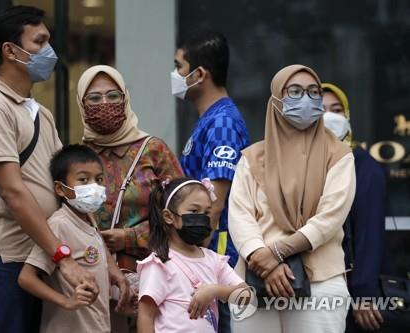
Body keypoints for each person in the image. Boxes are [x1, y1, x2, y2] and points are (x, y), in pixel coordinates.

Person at [0, 6, 98, 332]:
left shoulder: (38, 112)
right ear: (10, 50)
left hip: (38, 260)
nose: (49, 51)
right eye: (39, 42)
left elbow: (58, 185)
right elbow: (13, 191)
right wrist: (63, 257)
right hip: (5, 262)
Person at [228, 64, 356, 333]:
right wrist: (262, 259)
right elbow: (240, 216)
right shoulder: (252, 158)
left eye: (313, 92)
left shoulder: (339, 155)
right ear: (276, 99)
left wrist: (276, 253)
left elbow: (329, 218)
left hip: (320, 278)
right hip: (256, 277)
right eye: (295, 92)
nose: (306, 99)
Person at [76, 65, 184, 331]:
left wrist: (129, 237)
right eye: (94, 98)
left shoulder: (154, 150)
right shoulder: (77, 156)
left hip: (154, 282)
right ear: (81, 103)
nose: (105, 104)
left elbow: (183, 215)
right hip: (92, 283)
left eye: (113, 96)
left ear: (125, 99)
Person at [173, 30, 250, 332]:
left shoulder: (223, 123)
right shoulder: (210, 119)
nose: (175, 75)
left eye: (179, 66)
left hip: (219, 264)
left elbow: (213, 205)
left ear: (200, 73)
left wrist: (196, 260)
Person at [18, 144, 130, 333]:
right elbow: (26, 278)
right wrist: (67, 302)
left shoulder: (89, 218)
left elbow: (99, 247)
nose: (93, 186)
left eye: (98, 179)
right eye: (83, 179)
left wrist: (116, 274)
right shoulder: (59, 225)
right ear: (60, 189)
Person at [137, 177, 253, 333]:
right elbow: (145, 315)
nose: (202, 218)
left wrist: (214, 291)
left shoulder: (213, 260)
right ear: (169, 216)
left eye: (206, 212)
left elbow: (247, 296)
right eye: (194, 211)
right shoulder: (159, 263)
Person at [322, 83, 386, 332]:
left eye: (336, 110)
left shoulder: (362, 165)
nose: (328, 116)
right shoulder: (310, 164)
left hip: (354, 294)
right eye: (321, 110)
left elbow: (369, 233)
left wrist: (364, 293)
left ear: (347, 117)